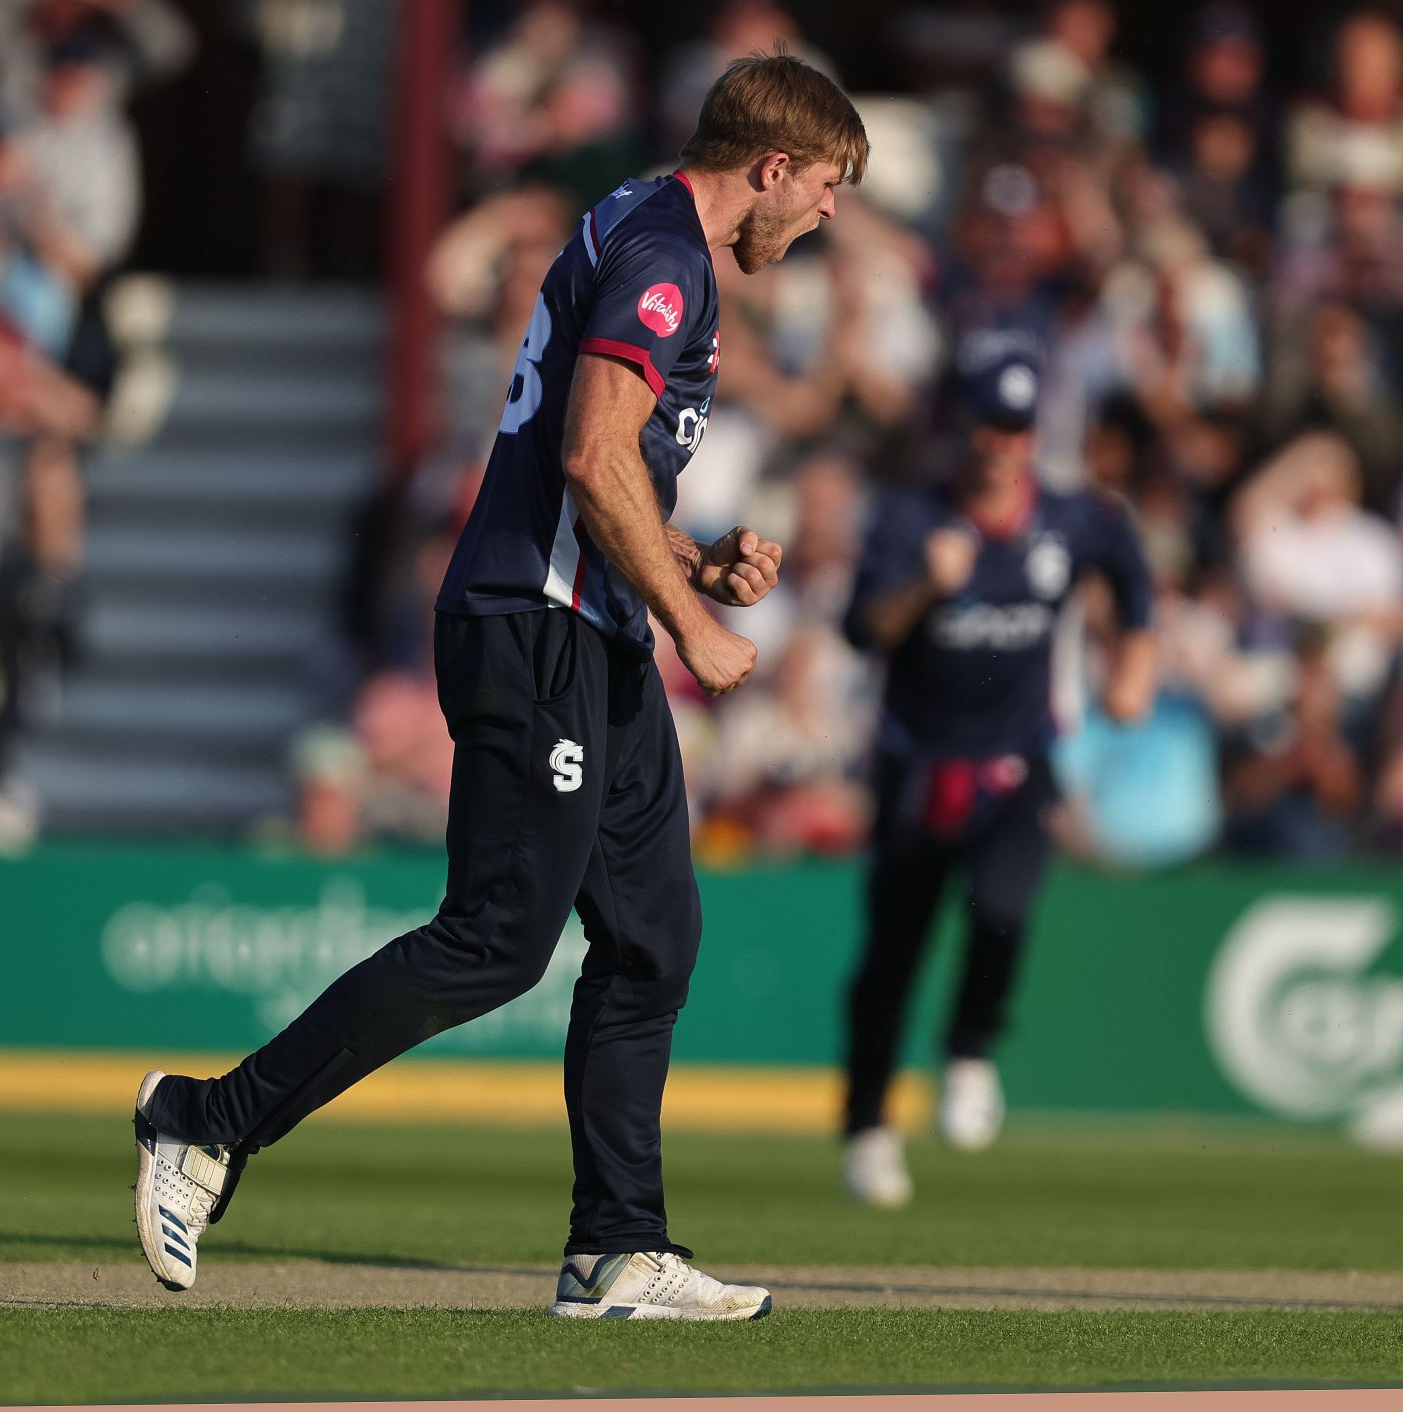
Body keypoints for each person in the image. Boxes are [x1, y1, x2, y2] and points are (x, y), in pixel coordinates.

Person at [131, 52, 867, 1322]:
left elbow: (590, 469)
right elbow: (587, 451)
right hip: (540, 632)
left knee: (654, 937)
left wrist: (692, 562)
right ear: (774, 166)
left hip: (593, 626)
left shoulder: (639, 221)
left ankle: (615, 1248)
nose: (828, 215)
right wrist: (694, 621)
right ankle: (204, 1123)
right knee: (497, 937)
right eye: (829, 186)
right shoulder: (666, 258)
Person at [837, 353, 1155, 1208]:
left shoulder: (1069, 520)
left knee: (1003, 910)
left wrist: (1136, 666)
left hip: (1019, 760)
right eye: (987, 425)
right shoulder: (912, 518)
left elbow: (1132, 573)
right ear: (962, 427)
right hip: (919, 762)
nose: (1000, 446)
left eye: (1016, 430)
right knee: (892, 959)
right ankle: (867, 1127)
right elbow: (863, 631)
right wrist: (922, 589)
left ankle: (971, 1048)